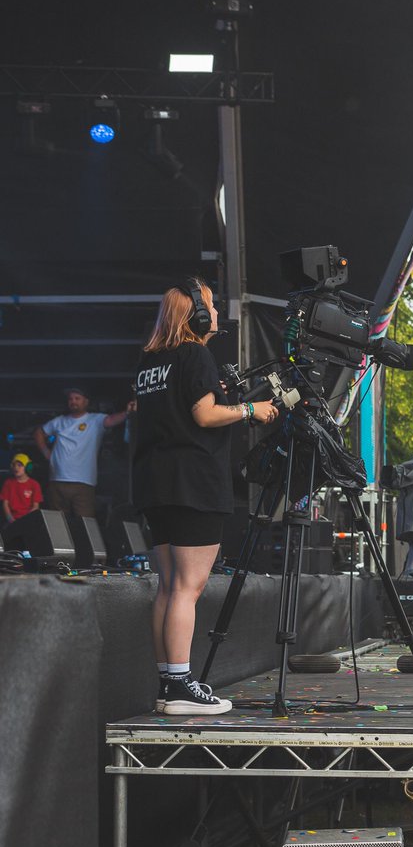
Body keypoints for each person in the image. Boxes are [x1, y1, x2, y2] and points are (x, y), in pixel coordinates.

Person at [133, 279, 278, 715]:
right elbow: (204, 413)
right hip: (193, 483)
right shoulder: (195, 354)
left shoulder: (149, 362)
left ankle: (168, 682)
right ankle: (180, 686)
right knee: (187, 588)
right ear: (196, 314)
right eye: (211, 306)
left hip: (156, 485)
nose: (216, 313)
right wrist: (253, 410)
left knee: (169, 587)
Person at [34, 387, 133, 517]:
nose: (73, 401)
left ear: (86, 401)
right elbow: (39, 433)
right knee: (57, 523)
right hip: (57, 481)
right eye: (70, 399)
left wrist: (127, 412)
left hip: (83, 483)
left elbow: (112, 420)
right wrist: (47, 453)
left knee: (85, 523)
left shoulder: (95, 420)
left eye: (77, 398)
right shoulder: (59, 421)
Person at [1, 453, 43, 524]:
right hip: (12, 520)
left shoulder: (34, 484)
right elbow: (5, 503)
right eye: (14, 465)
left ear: (27, 467)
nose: (16, 468)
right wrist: (10, 519)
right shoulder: (8, 483)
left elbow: (36, 506)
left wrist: (26, 520)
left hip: (28, 520)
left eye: (19, 465)